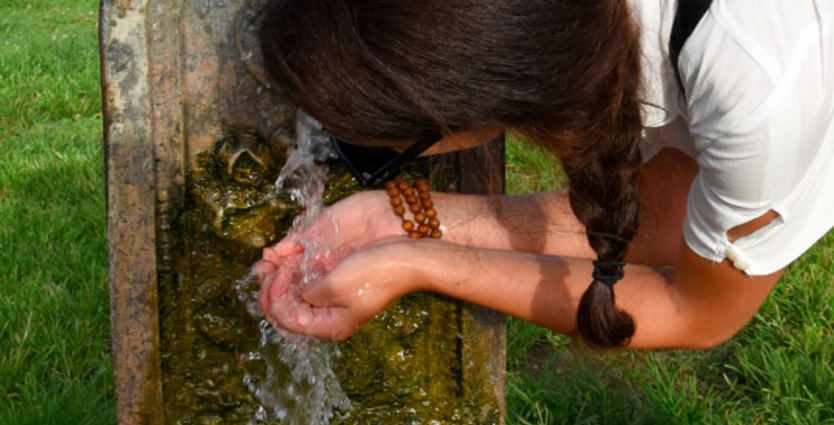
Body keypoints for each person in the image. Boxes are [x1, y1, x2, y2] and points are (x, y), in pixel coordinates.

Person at [253, 0, 834, 349]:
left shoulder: (759, 98)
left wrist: (418, 261)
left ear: (501, 93)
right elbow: (685, 204)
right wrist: (402, 218)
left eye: (369, 150)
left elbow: (697, 309)